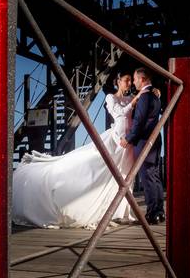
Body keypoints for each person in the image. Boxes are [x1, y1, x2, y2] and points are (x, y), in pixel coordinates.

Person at [11, 72, 156, 229]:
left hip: (127, 141)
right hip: (116, 140)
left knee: (125, 175)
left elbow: (142, 108)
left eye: (130, 81)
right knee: (102, 172)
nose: (129, 84)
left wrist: (152, 93)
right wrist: (135, 100)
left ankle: (124, 212)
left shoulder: (130, 98)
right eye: (126, 80)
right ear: (118, 82)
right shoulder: (110, 98)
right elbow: (119, 113)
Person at [120, 68, 165, 224]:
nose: (134, 82)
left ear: (143, 79)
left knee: (147, 178)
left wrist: (128, 139)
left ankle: (152, 214)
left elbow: (139, 122)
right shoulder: (155, 96)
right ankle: (159, 212)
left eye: (135, 79)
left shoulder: (145, 97)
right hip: (155, 140)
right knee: (154, 176)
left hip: (145, 142)